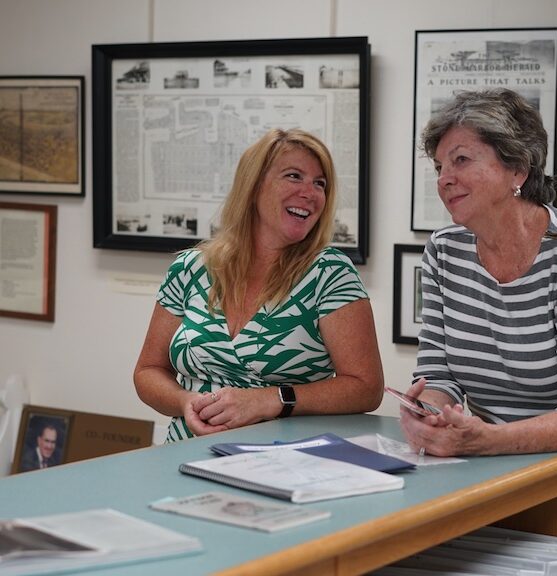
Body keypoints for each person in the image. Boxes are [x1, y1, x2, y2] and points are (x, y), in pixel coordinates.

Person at [134, 128, 383, 441]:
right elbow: (148, 371)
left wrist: (272, 399)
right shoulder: (190, 268)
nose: (310, 192)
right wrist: (187, 403)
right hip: (184, 454)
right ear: (252, 186)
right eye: (294, 176)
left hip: (284, 462)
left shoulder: (329, 273)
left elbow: (365, 388)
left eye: (320, 183)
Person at [399, 88, 557, 456]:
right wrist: (429, 413)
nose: (444, 179)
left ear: (517, 168)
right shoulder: (444, 251)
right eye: (439, 167)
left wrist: (486, 441)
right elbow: (438, 374)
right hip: (482, 462)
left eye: (461, 160)